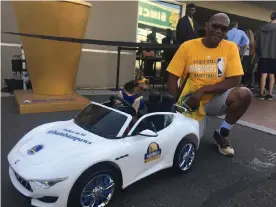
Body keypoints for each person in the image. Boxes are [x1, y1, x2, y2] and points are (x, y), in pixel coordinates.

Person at [167, 13, 252, 157]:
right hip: (191, 101)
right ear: (207, 26)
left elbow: (235, 80)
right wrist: (178, 104)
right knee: (187, 144)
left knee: (244, 94)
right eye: (215, 26)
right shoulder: (188, 46)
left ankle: (221, 134)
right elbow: (172, 77)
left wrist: (204, 90)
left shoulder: (230, 48)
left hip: (214, 100)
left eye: (224, 29)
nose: (219, 31)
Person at [255, 12, 276, 101]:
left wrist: (258, 53)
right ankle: (270, 94)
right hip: (274, 55)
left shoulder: (262, 28)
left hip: (263, 54)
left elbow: (257, 43)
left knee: (263, 74)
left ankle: (261, 93)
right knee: (272, 75)